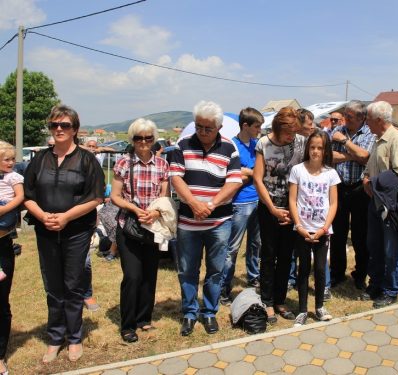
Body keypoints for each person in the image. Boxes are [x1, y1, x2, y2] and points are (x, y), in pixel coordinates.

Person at [24, 104, 105, 362]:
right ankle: (55, 337)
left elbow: (95, 197)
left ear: (75, 129)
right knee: (52, 286)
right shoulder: (39, 159)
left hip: (76, 232)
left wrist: (67, 216)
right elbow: (28, 195)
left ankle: (74, 338)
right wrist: (42, 216)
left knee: (73, 284)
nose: (59, 129)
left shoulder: (87, 159)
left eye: (64, 125)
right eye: (54, 125)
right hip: (45, 231)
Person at [170, 101, 242, 336]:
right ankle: (190, 313)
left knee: (215, 269)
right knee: (187, 269)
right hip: (188, 222)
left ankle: (209, 312)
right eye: (199, 126)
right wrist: (193, 204)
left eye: (208, 128)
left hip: (219, 222)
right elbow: (176, 178)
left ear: (219, 127)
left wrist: (209, 205)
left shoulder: (230, 147)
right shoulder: (183, 144)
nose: (202, 132)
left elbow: (234, 182)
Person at [110, 118, 170, 343]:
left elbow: (165, 197)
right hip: (129, 227)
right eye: (138, 138)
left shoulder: (163, 165)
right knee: (132, 276)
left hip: (153, 227)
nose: (143, 142)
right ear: (132, 140)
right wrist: (134, 209)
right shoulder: (124, 164)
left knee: (149, 275)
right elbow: (115, 196)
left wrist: (155, 213)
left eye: (148, 137)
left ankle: (144, 319)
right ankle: (127, 325)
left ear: (154, 139)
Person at [253, 107, 306, 323]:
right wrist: (273, 209)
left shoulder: (301, 142)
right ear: (277, 127)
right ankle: (267, 301)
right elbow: (258, 179)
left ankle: (280, 300)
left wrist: (293, 209)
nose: (291, 137)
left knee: (286, 256)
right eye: (287, 133)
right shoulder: (263, 144)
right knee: (268, 255)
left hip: (293, 208)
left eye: (294, 133)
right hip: (268, 208)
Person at [362, 101, 398, 308]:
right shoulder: (378, 139)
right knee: (374, 245)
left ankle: (391, 290)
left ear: (379, 120)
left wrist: (372, 183)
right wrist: (366, 177)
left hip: (391, 204)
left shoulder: (397, 139)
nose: (366, 124)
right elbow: (372, 166)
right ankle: (376, 283)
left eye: (368, 120)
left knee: (391, 249)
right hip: (376, 201)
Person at [289, 130, 339, 326]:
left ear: (325, 150)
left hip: (322, 230)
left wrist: (325, 228)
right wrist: (298, 225)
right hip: (302, 229)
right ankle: (302, 310)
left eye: (320, 147)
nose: (315, 151)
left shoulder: (331, 173)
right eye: (312, 147)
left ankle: (319, 306)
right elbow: (292, 200)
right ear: (307, 148)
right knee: (303, 269)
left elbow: (333, 203)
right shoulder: (298, 170)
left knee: (319, 268)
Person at [330, 100, 376, 291]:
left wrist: (344, 142)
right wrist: (353, 154)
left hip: (360, 189)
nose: (345, 119)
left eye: (349, 116)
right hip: (339, 188)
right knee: (338, 234)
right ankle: (337, 273)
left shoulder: (369, 133)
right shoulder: (337, 129)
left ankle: (360, 274)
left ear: (361, 118)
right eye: (345, 115)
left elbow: (366, 156)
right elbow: (329, 156)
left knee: (360, 234)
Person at [220, 107, 263, 306]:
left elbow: (258, 171)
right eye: (257, 126)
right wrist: (252, 173)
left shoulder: (257, 145)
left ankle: (253, 278)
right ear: (245, 125)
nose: (259, 130)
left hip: (257, 200)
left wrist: (249, 172)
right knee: (233, 247)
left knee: (256, 244)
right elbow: (234, 173)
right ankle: (224, 286)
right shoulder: (232, 145)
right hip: (240, 203)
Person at [0, 143, 23, 282]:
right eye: (6, 159)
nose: (11, 162)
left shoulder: (14, 177)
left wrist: (4, 209)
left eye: (13, 159)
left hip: (6, 209)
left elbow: (19, 196)